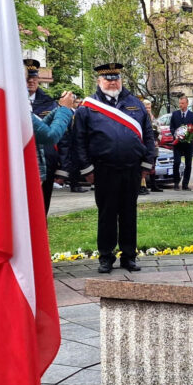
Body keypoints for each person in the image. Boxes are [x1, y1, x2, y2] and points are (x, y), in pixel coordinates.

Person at [71, 62, 157, 273]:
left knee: (129, 214)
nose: (112, 82)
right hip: (104, 169)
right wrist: (86, 169)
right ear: (99, 81)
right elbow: (79, 140)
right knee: (107, 214)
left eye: (116, 78)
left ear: (121, 80)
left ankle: (129, 256)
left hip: (131, 168)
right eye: (107, 79)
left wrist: (147, 163)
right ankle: (106, 257)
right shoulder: (88, 107)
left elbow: (148, 135)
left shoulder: (135, 104)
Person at [24, 59, 67, 213]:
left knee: (42, 211)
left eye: (34, 77)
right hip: (23, 164)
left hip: (47, 165)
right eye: (28, 78)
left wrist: (62, 169)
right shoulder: (15, 103)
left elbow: (62, 137)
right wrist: (65, 110)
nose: (31, 81)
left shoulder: (49, 102)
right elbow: (49, 135)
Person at [32, 91, 76, 182]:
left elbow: (40, 128)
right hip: (30, 171)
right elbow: (51, 136)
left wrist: (59, 108)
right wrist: (64, 109)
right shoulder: (17, 107)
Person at [169, 95, 193, 190]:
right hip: (177, 143)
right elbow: (172, 127)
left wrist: (190, 136)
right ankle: (176, 183)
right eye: (180, 103)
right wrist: (175, 134)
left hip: (188, 144)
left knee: (188, 164)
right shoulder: (175, 114)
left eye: (182, 103)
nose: (180, 105)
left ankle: (185, 184)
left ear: (187, 104)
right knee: (176, 162)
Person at [140, 100, 163, 193]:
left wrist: (157, 141)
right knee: (145, 165)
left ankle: (153, 185)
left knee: (153, 166)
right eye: (146, 107)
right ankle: (143, 186)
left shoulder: (154, 119)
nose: (148, 109)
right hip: (144, 146)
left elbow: (160, 131)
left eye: (149, 107)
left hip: (154, 146)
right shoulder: (141, 118)